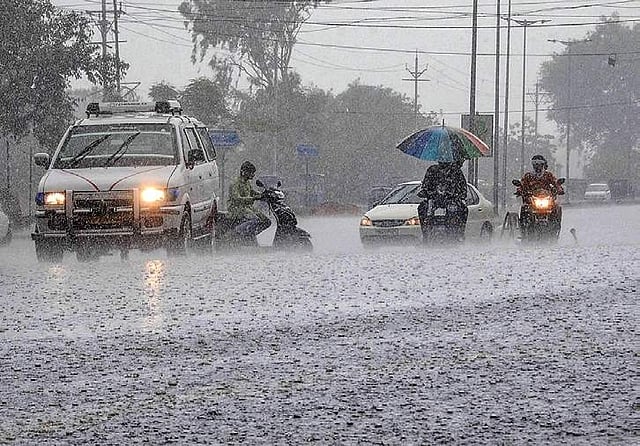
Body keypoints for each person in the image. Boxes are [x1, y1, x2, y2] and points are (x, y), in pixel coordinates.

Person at [417, 159, 468, 241]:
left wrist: (455, 195)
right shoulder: (432, 170)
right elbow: (425, 187)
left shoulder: (456, 171)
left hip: (451, 201)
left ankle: (459, 234)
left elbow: (463, 189)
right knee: (422, 208)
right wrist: (430, 193)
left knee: (463, 209)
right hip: (434, 200)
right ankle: (426, 234)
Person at [516, 154, 564, 232]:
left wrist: (559, 189)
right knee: (525, 209)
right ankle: (524, 229)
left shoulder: (548, 175)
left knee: (556, 208)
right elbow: (522, 184)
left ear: (543, 164)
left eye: (539, 164)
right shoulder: (528, 176)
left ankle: (555, 228)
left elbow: (556, 183)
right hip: (531, 200)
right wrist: (519, 190)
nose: (537, 166)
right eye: (535, 164)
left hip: (547, 200)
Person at [227, 161, 271, 237]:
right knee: (255, 219)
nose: (253, 175)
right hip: (237, 208)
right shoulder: (235, 183)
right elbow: (237, 199)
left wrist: (263, 194)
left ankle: (250, 235)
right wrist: (253, 198)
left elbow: (252, 192)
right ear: (244, 172)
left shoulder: (247, 182)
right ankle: (234, 234)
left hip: (248, 207)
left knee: (267, 221)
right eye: (251, 172)